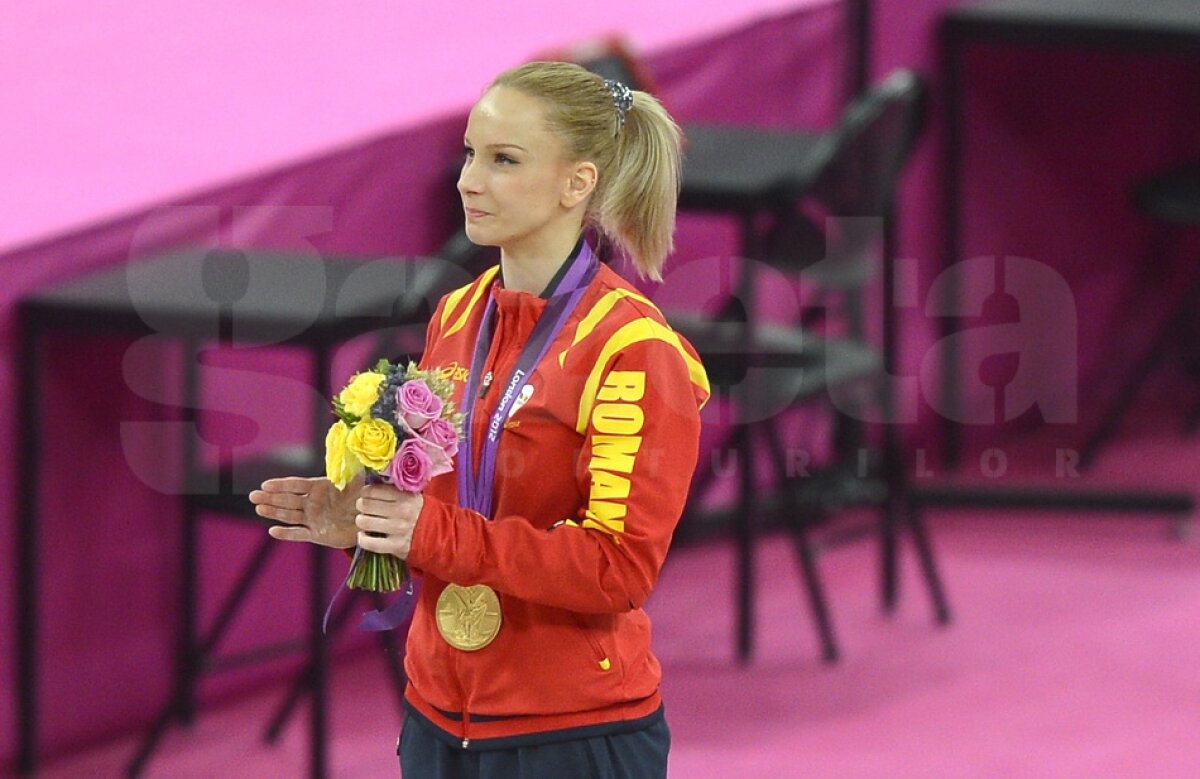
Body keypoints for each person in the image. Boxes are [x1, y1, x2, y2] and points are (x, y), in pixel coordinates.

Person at [249, 60, 709, 778]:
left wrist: (428, 530)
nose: (468, 179)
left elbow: (617, 569)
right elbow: (455, 510)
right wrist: (373, 530)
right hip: (438, 715)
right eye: (470, 153)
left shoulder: (633, 351)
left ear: (576, 183)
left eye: (503, 160)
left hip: (571, 732)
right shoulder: (458, 315)